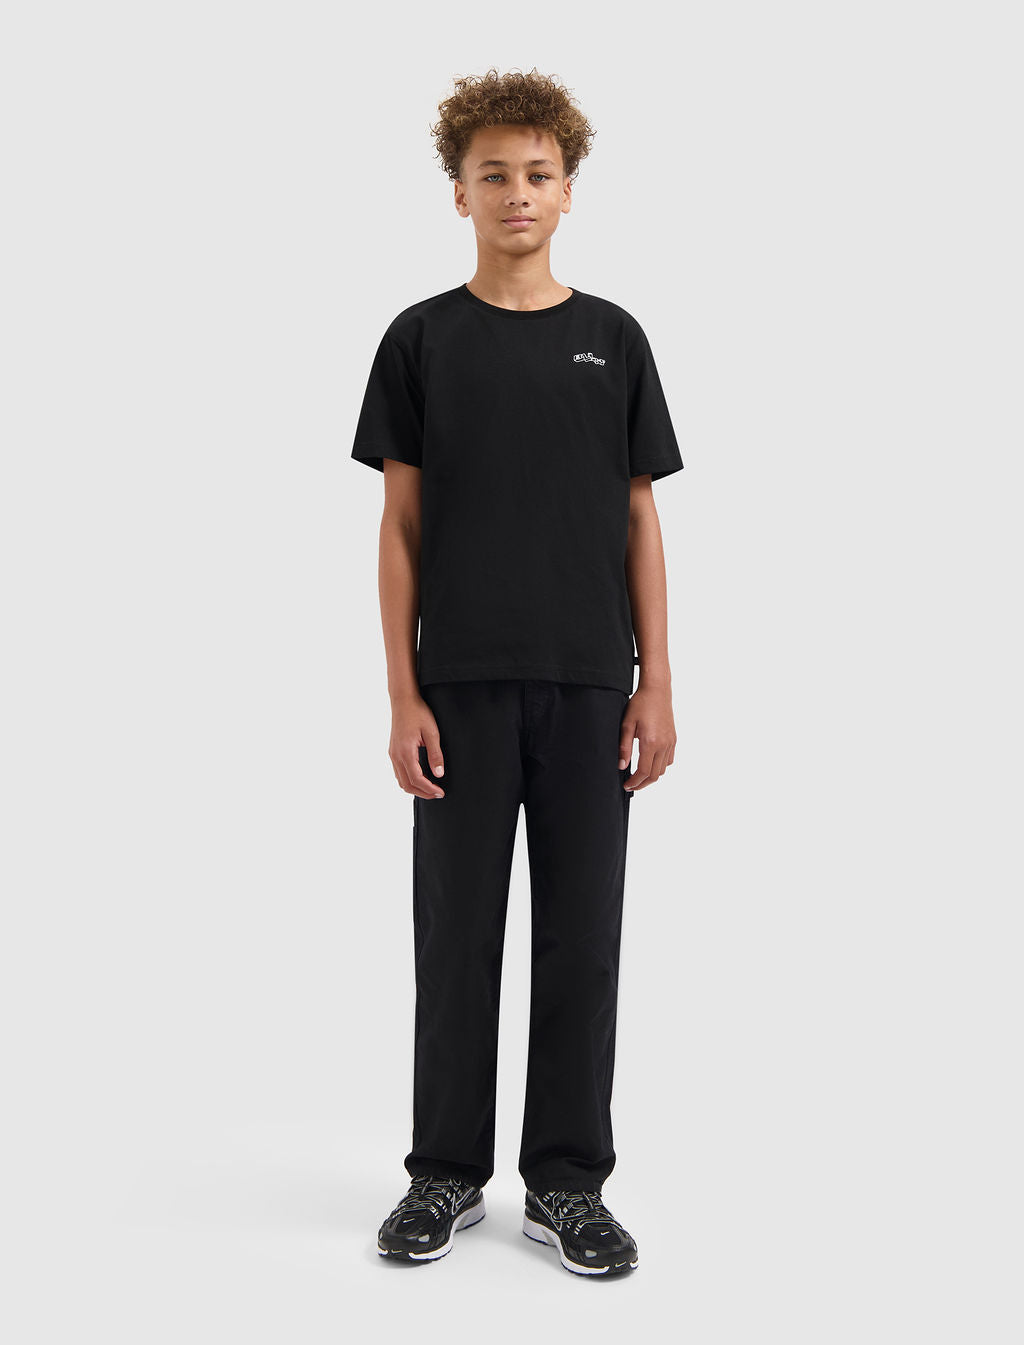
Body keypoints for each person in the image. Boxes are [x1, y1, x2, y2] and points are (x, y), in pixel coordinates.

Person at [350, 67, 683, 1277]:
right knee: (458, 938)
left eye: (538, 173)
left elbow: (640, 516)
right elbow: (399, 527)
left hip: (591, 682)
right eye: (493, 174)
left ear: (568, 189)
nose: (517, 193)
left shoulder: (615, 340)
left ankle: (566, 1184)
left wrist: (655, 680)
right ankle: (444, 1173)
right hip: (461, 685)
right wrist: (402, 691)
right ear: (460, 193)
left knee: (581, 940)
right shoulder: (421, 340)